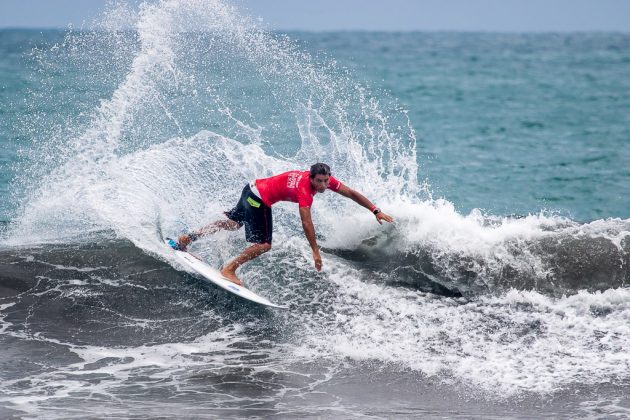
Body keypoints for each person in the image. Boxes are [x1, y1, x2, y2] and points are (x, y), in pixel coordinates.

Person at [173, 163, 394, 285]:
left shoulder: (324, 181)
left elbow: (352, 193)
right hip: (258, 198)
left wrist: (375, 210)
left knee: (233, 224)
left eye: (327, 181)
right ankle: (229, 269)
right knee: (264, 244)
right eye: (319, 181)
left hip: (251, 188)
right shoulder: (304, 190)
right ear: (311, 178)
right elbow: (306, 221)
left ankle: (187, 238)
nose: (324, 186)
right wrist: (315, 251)